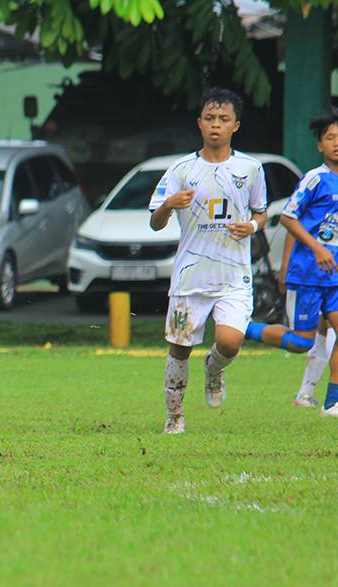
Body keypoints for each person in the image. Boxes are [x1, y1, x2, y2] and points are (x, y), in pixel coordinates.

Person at [149, 88, 268, 435]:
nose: (216, 125)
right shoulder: (182, 169)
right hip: (191, 276)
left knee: (230, 342)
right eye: (210, 118)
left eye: (224, 119)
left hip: (233, 276)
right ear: (199, 123)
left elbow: (261, 213)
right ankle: (175, 416)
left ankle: (214, 370)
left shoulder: (250, 168)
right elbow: (155, 223)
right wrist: (169, 204)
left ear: (236, 125)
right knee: (180, 346)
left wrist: (251, 226)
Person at [247, 109, 338, 415]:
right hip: (310, 274)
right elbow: (288, 218)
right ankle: (244, 327)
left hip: (335, 276)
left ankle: (331, 402)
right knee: (302, 342)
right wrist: (315, 249)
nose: (337, 143)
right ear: (320, 146)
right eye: (330, 138)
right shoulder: (315, 179)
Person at [277, 233, 336, 406]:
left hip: (327, 272)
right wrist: (285, 264)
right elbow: (291, 221)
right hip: (315, 272)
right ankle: (320, 398)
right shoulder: (320, 207)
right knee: (305, 339)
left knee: (326, 327)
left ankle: (307, 393)